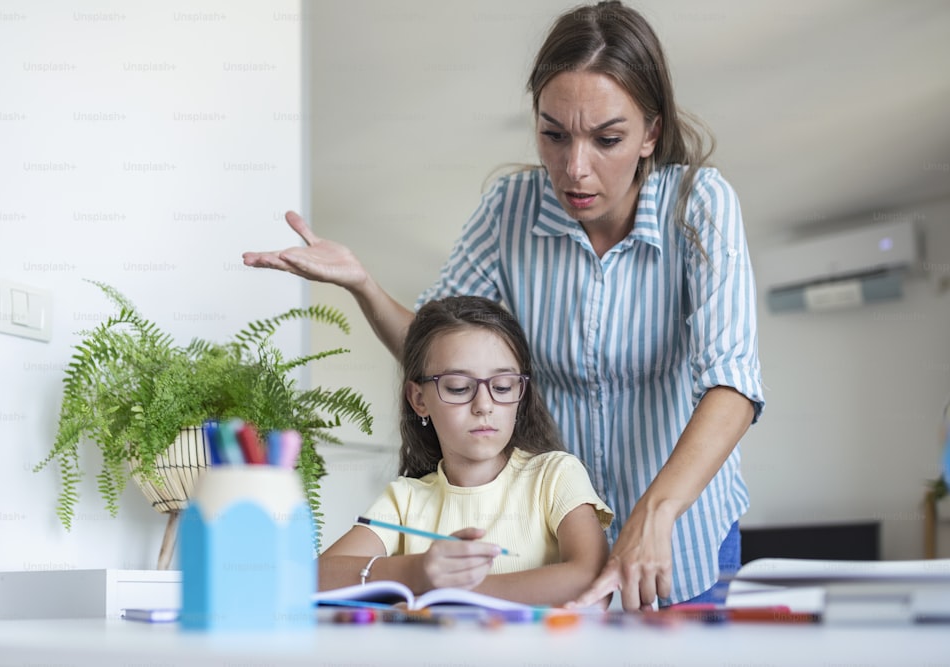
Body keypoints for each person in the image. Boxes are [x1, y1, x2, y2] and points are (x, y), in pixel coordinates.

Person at [244, 0, 765, 610]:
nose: (575, 168)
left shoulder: (699, 204)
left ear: (651, 132)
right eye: (554, 134)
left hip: (681, 537)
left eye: (607, 138)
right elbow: (439, 352)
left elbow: (731, 382)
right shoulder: (510, 209)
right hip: (551, 551)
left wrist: (656, 510)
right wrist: (363, 284)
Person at [316, 295, 614, 606]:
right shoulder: (405, 499)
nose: (484, 405)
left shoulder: (555, 476)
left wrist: (448, 592)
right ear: (419, 399)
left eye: (502, 386)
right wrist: (415, 571)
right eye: (458, 387)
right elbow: (314, 577)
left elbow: (592, 579)